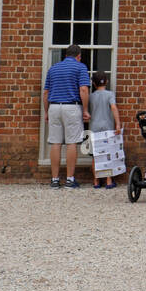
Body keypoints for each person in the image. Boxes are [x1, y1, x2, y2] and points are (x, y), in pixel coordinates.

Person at [43, 44, 91, 189]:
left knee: (55, 143)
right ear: (79, 56)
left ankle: (55, 180)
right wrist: (85, 109)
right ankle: (70, 179)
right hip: (72, 106)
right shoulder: (80, 67)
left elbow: (46, 93)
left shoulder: (53, 69)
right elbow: (83, 89)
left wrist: (46, 112)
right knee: (71, 143)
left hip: (54, 107)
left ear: (65, 55)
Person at [88, 73, 122, 189]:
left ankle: (96, 181)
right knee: (108, 154)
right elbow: (113, 107)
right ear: (106, 82)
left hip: (94, 127)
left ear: (93, 83)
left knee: (95, 155)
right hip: (107, 127)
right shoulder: (110, 94)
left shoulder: (91, 96)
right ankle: (108, 180)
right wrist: (118, 123)